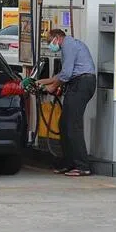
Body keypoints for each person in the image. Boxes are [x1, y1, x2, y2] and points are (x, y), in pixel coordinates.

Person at [36, 28, 97, 176]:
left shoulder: (68, 45)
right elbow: (63, 74)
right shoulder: (70, 46)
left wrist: (51, 87)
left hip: (82, 84)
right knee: (64, 124)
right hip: (79, 83)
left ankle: (82, 166)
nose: (51, 45)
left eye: (50, 41)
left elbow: (67, 74)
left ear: (57, 37)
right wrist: (42, 81)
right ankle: (69, 163)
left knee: (72, 125)